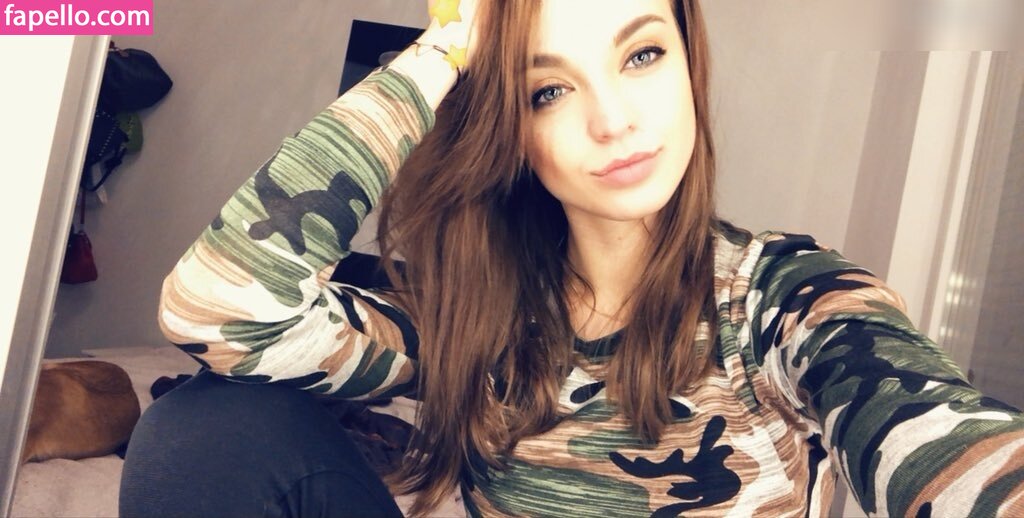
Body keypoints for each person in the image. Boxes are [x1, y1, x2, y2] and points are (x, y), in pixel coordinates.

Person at [120, 0, 1024, 516]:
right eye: (548, 89)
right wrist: (444, 52)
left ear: (689, 66)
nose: (613, 120)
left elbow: (955, 455)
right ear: (510, 128)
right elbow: (217, 308)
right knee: (204, 428)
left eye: (642, 54)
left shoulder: (786, 299)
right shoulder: (470, 315)